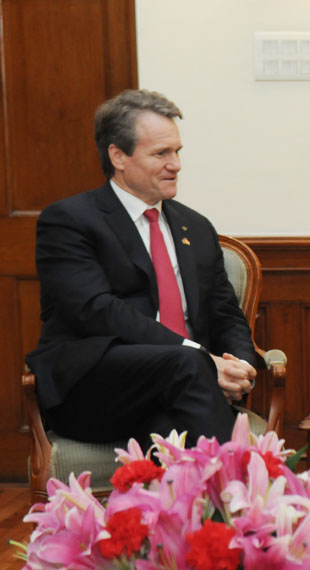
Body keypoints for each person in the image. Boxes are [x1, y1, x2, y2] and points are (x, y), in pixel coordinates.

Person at [26, 89, 257, 450]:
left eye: (177, 151)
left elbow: (225, 313)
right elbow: (95, 311)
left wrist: (238, 365)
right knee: (188, 365)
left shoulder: (195, 228)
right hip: (96, 388)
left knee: (169, 430)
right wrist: (200, 357)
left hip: (181, 385)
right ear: (118, 155)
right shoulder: (69, 220)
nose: (176, 164)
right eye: (161, 153)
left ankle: (191, 505)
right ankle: (244, 497)